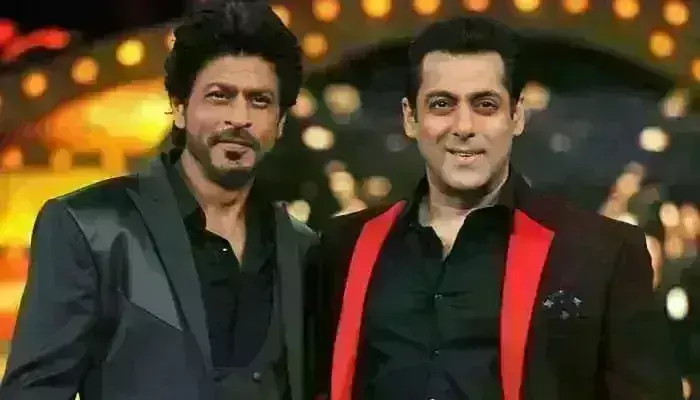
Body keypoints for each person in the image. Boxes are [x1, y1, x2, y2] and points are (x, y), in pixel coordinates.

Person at [307, 16, 682, 400]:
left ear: (516, 116)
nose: (463, 126)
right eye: (441, 104)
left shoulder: (603, 253)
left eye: (485, 105)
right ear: (410, 118)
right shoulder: (342, 248)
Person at [0, 1, 315, 399]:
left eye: (260, 101)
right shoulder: (90, 228)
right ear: (180, 109)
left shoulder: (302, 247)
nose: (239, 118)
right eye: (219, 96)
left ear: (280, 122)